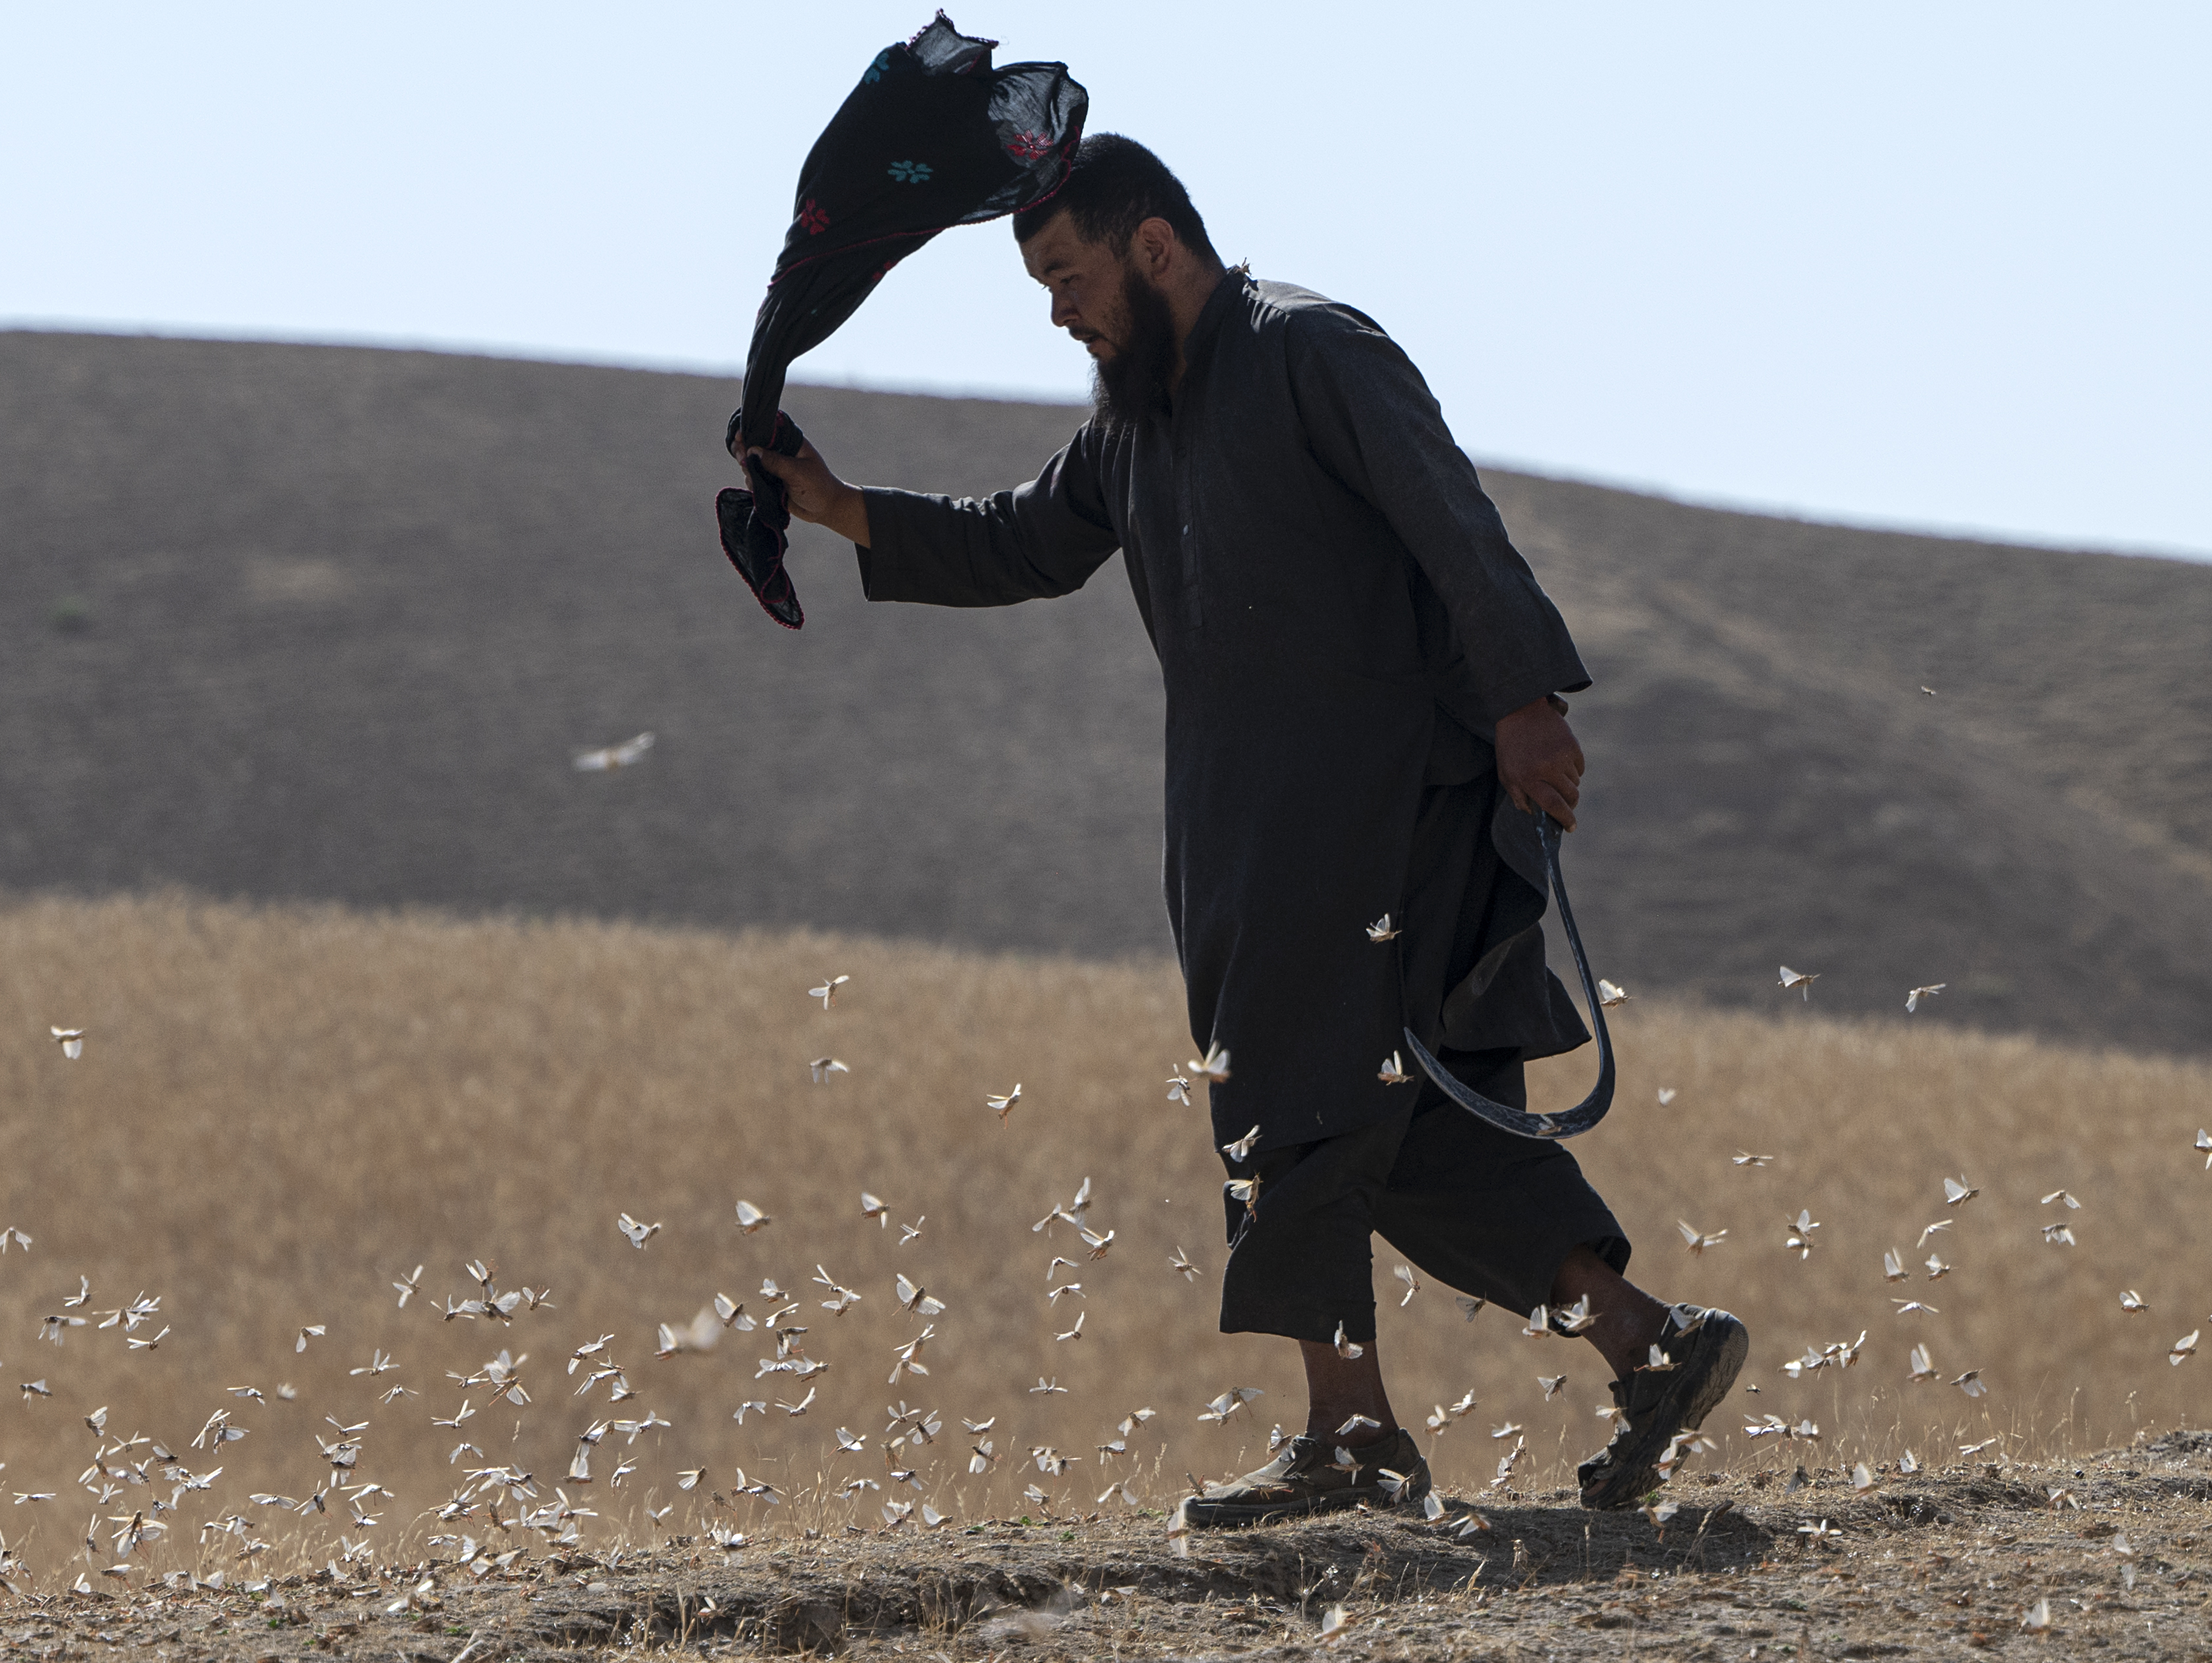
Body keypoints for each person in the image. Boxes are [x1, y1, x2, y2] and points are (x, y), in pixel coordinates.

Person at [736, 134, 1747, 1525]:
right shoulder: (1131, 425)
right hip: (1253, 829)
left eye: (1071, 276)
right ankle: (1652, 1341)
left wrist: (1526, 702)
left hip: (1378, 809)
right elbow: (1020, 542)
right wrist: (836, 504)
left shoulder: (1315, 352)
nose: (1059, 311)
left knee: (1287, 1092)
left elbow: (1451, 520)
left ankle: (1352, 1439)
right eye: (1041, 286)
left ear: (1156, 247)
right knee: (1418, 1130)